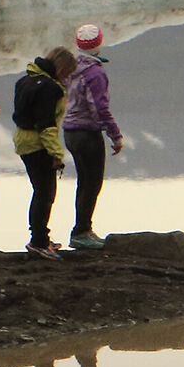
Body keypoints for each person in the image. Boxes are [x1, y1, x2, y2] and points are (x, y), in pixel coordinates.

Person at [62, 24, 124, 249]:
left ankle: (82, 229)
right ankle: (82, 232)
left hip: (69, 132)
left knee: (83, 182)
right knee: (93, 183)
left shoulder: (69, 68)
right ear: (99, 43)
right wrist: (115, 135)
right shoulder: (95, 73)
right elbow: (100, 107)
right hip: (88, 133)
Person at [11, 46, 77, 260]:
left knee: (41, 191)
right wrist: (57, 154)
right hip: (38, 146)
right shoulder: (50, 88)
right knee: (45, 193)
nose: (66, 78)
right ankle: (38, 241)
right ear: (61, 68)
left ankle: (40, 237)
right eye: (67, 73)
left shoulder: (26, 80)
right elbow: (46, 125)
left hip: (24, 142)